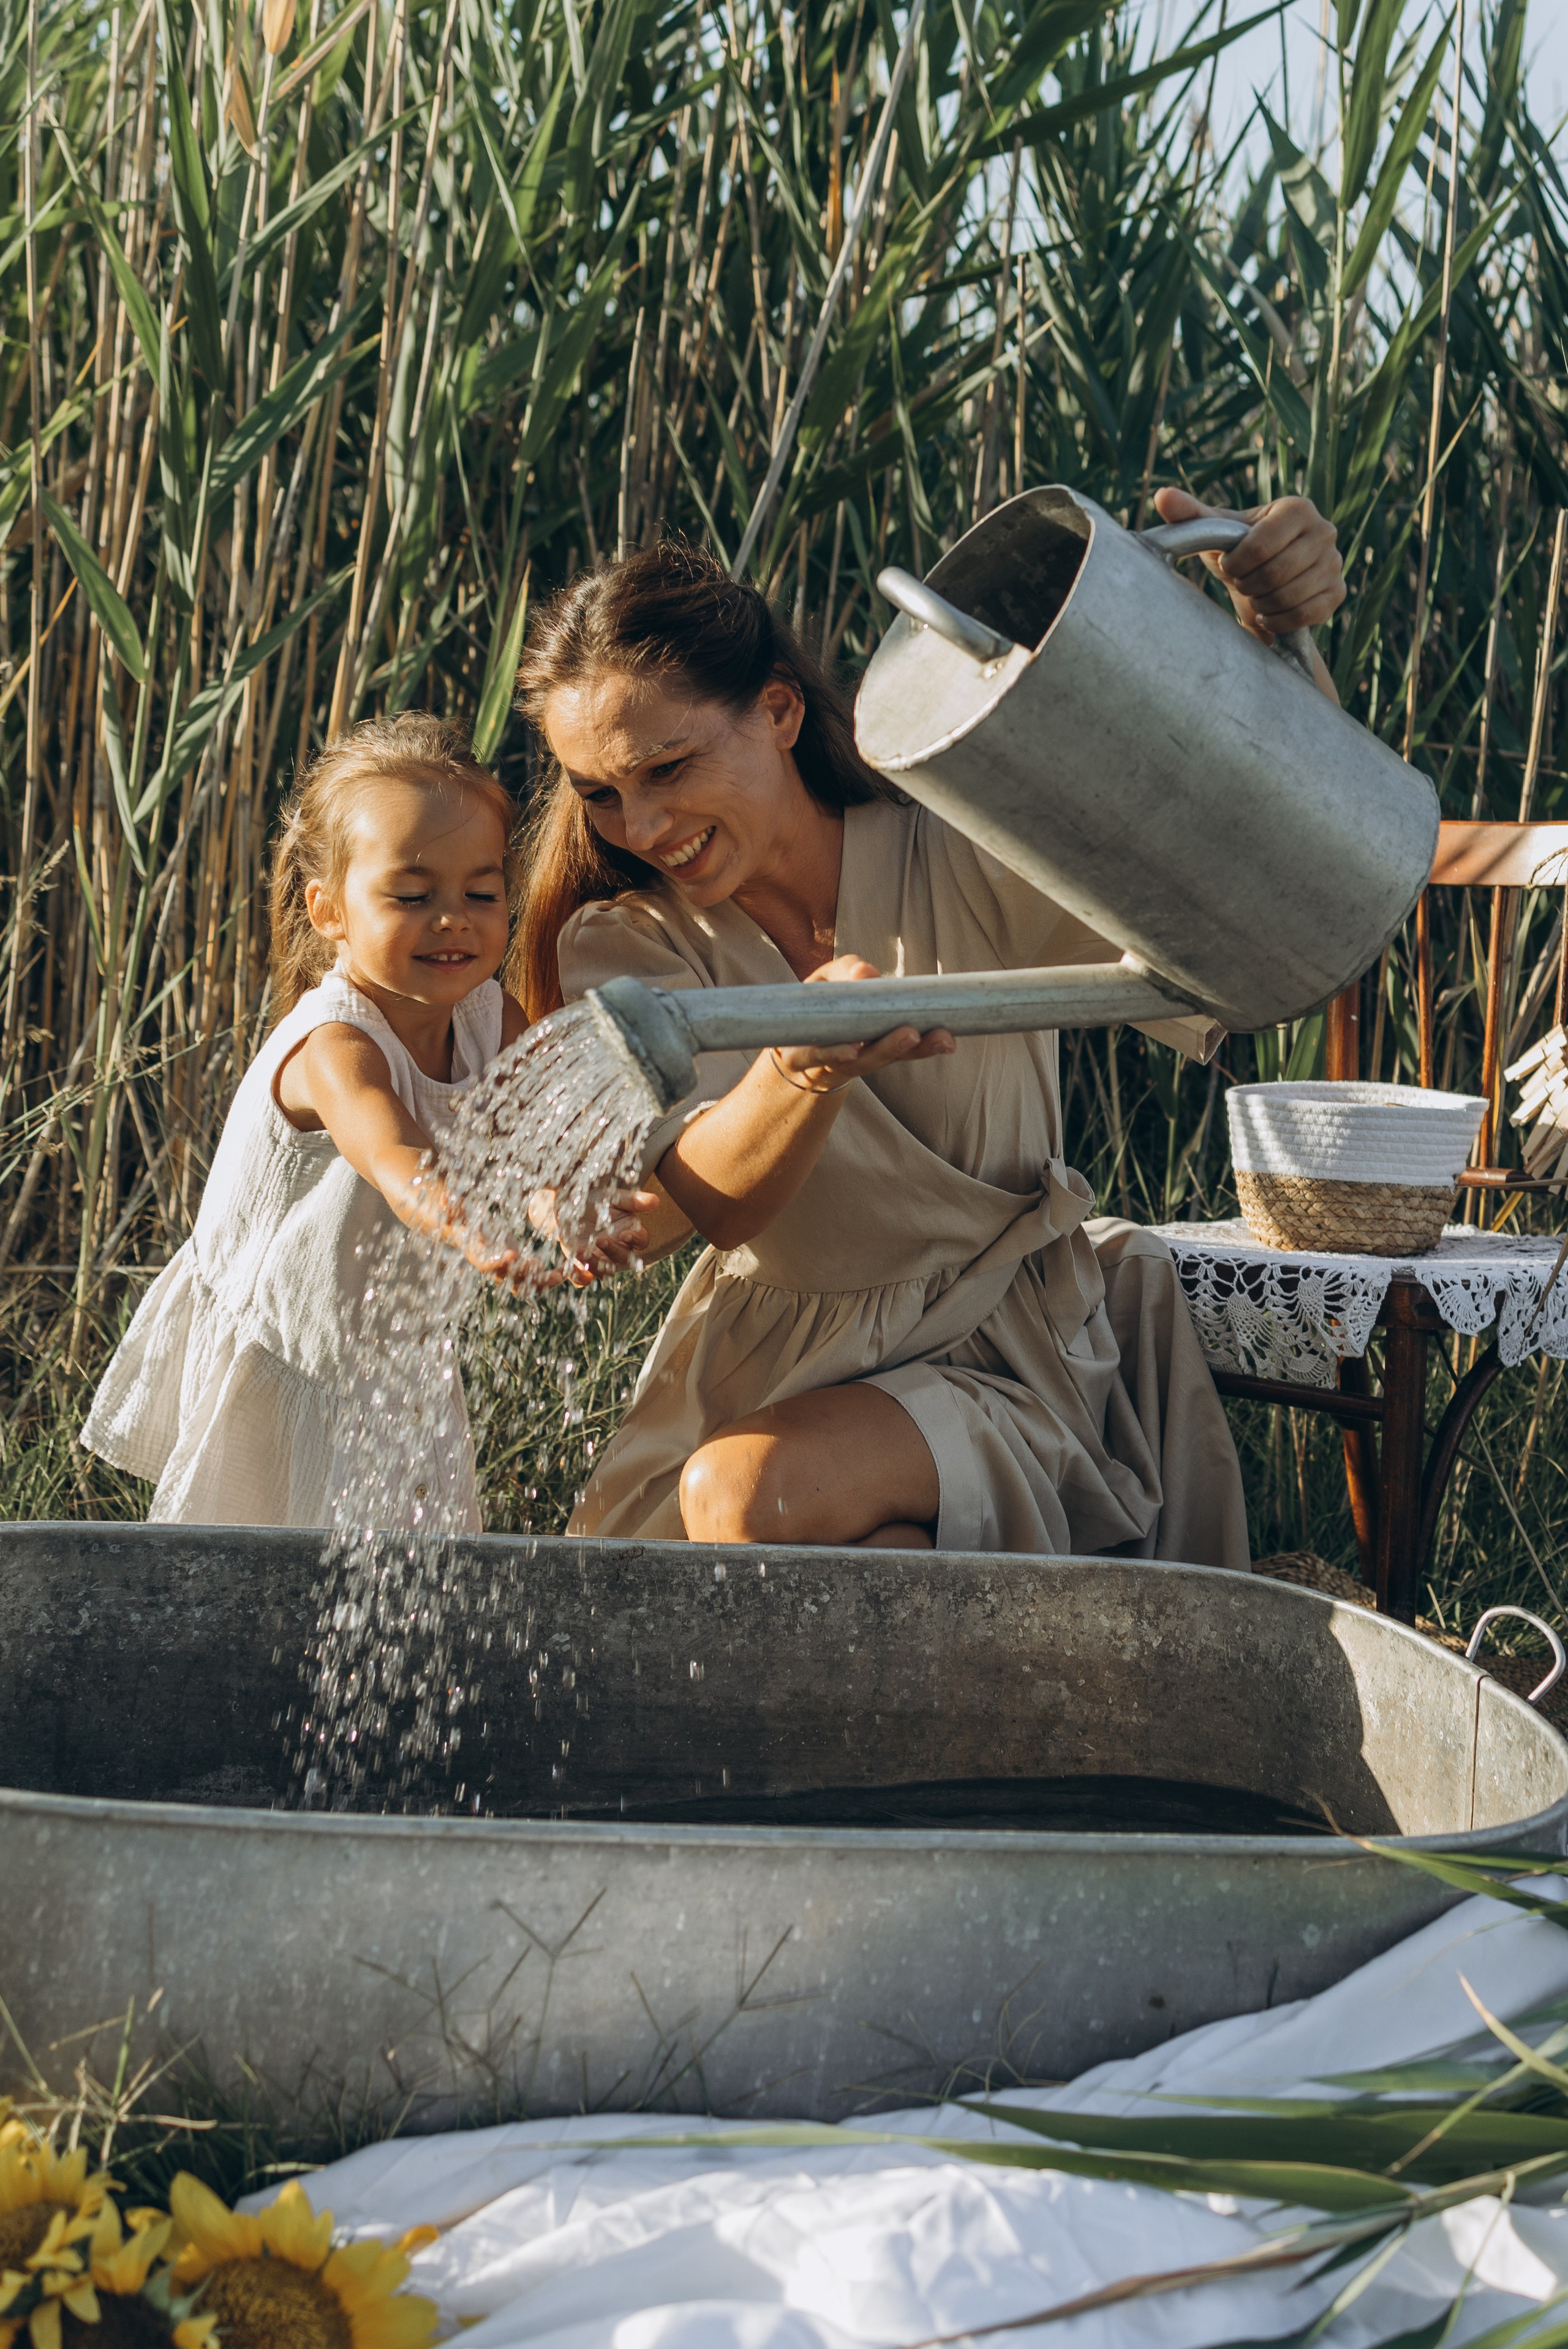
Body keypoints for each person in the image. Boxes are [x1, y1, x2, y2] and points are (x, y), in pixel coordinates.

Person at [515, 488, 1348, 1560]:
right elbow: (707, 1204)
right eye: (601, 793)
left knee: (741, 1500)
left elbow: (1265, 895)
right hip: (769, 1363)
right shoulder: (624, 946)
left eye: (669, 769)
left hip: (997, 1346)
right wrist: (802, 1073)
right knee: (715, 1593)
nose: (644, 826)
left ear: (778, 711)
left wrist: (1274, 644)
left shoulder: (960, 846)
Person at [81, 714, 646, 1530]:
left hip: (393, 1366)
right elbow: (395, 1155)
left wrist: (561, 1206)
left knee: (404, 1598)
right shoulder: (334, 1045)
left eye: (481, 894)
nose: (452, 918)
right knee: (257, 1595)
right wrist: (474, 1226)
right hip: (287, 1358)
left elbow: (543, 1143)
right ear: (329, 910)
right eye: (412, 896)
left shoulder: (494, 1017)